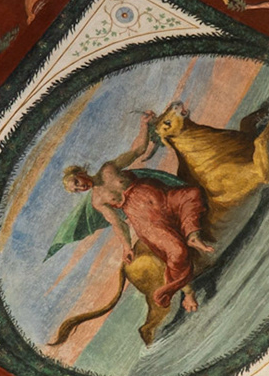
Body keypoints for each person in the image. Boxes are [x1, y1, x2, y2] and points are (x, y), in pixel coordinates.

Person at [59, 111, 215, 313]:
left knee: (192, 193)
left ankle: (193, 235)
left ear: (80, 172)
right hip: (146, 221)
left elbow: (138, 149)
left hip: (162, 197)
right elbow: (117, 223)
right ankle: (187, 292)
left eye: (77, 182)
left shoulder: (108, 169)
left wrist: (144, 125)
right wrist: (126, 247)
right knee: (177, 252)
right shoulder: (97, 200)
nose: (80, 187)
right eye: (76, 190)